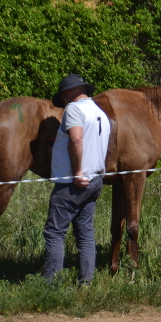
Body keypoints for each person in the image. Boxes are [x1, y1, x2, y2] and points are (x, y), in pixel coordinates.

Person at [42, 74, 111, 286]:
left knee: (54, 232)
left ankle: (50, 286)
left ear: (67, 93)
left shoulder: (74, 109)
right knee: (85, 233)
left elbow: (77, 138)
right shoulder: (100, 112)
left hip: (73, 183)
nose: (63, 100)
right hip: (95, 179)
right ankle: (86, 282)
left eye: (63, 96)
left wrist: (77, 171)